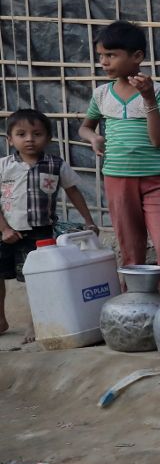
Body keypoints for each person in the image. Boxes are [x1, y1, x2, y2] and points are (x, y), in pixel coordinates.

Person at [79, 20, 160, 299]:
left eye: (111, 55)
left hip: (155, 181)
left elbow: (158, 139)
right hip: (117, 179)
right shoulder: (101, 94)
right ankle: (135, 308)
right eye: (101, 55)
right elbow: (85, 126)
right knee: (131, 250)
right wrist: (94, 138)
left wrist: (147, 97)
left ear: (137, 57)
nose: (103, 62)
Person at [0, 109, 97, 338]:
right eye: (21, 134)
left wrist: (89, 220)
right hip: (5, 230)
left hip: (39, 232)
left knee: (35, 279)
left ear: (48, 138)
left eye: (37, 134)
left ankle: (35, 322)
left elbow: (73, 191)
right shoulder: (3, 166)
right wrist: (4, 228)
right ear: (10, 139)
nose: (29, 139)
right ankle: (1, 320)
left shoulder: (56, 165)